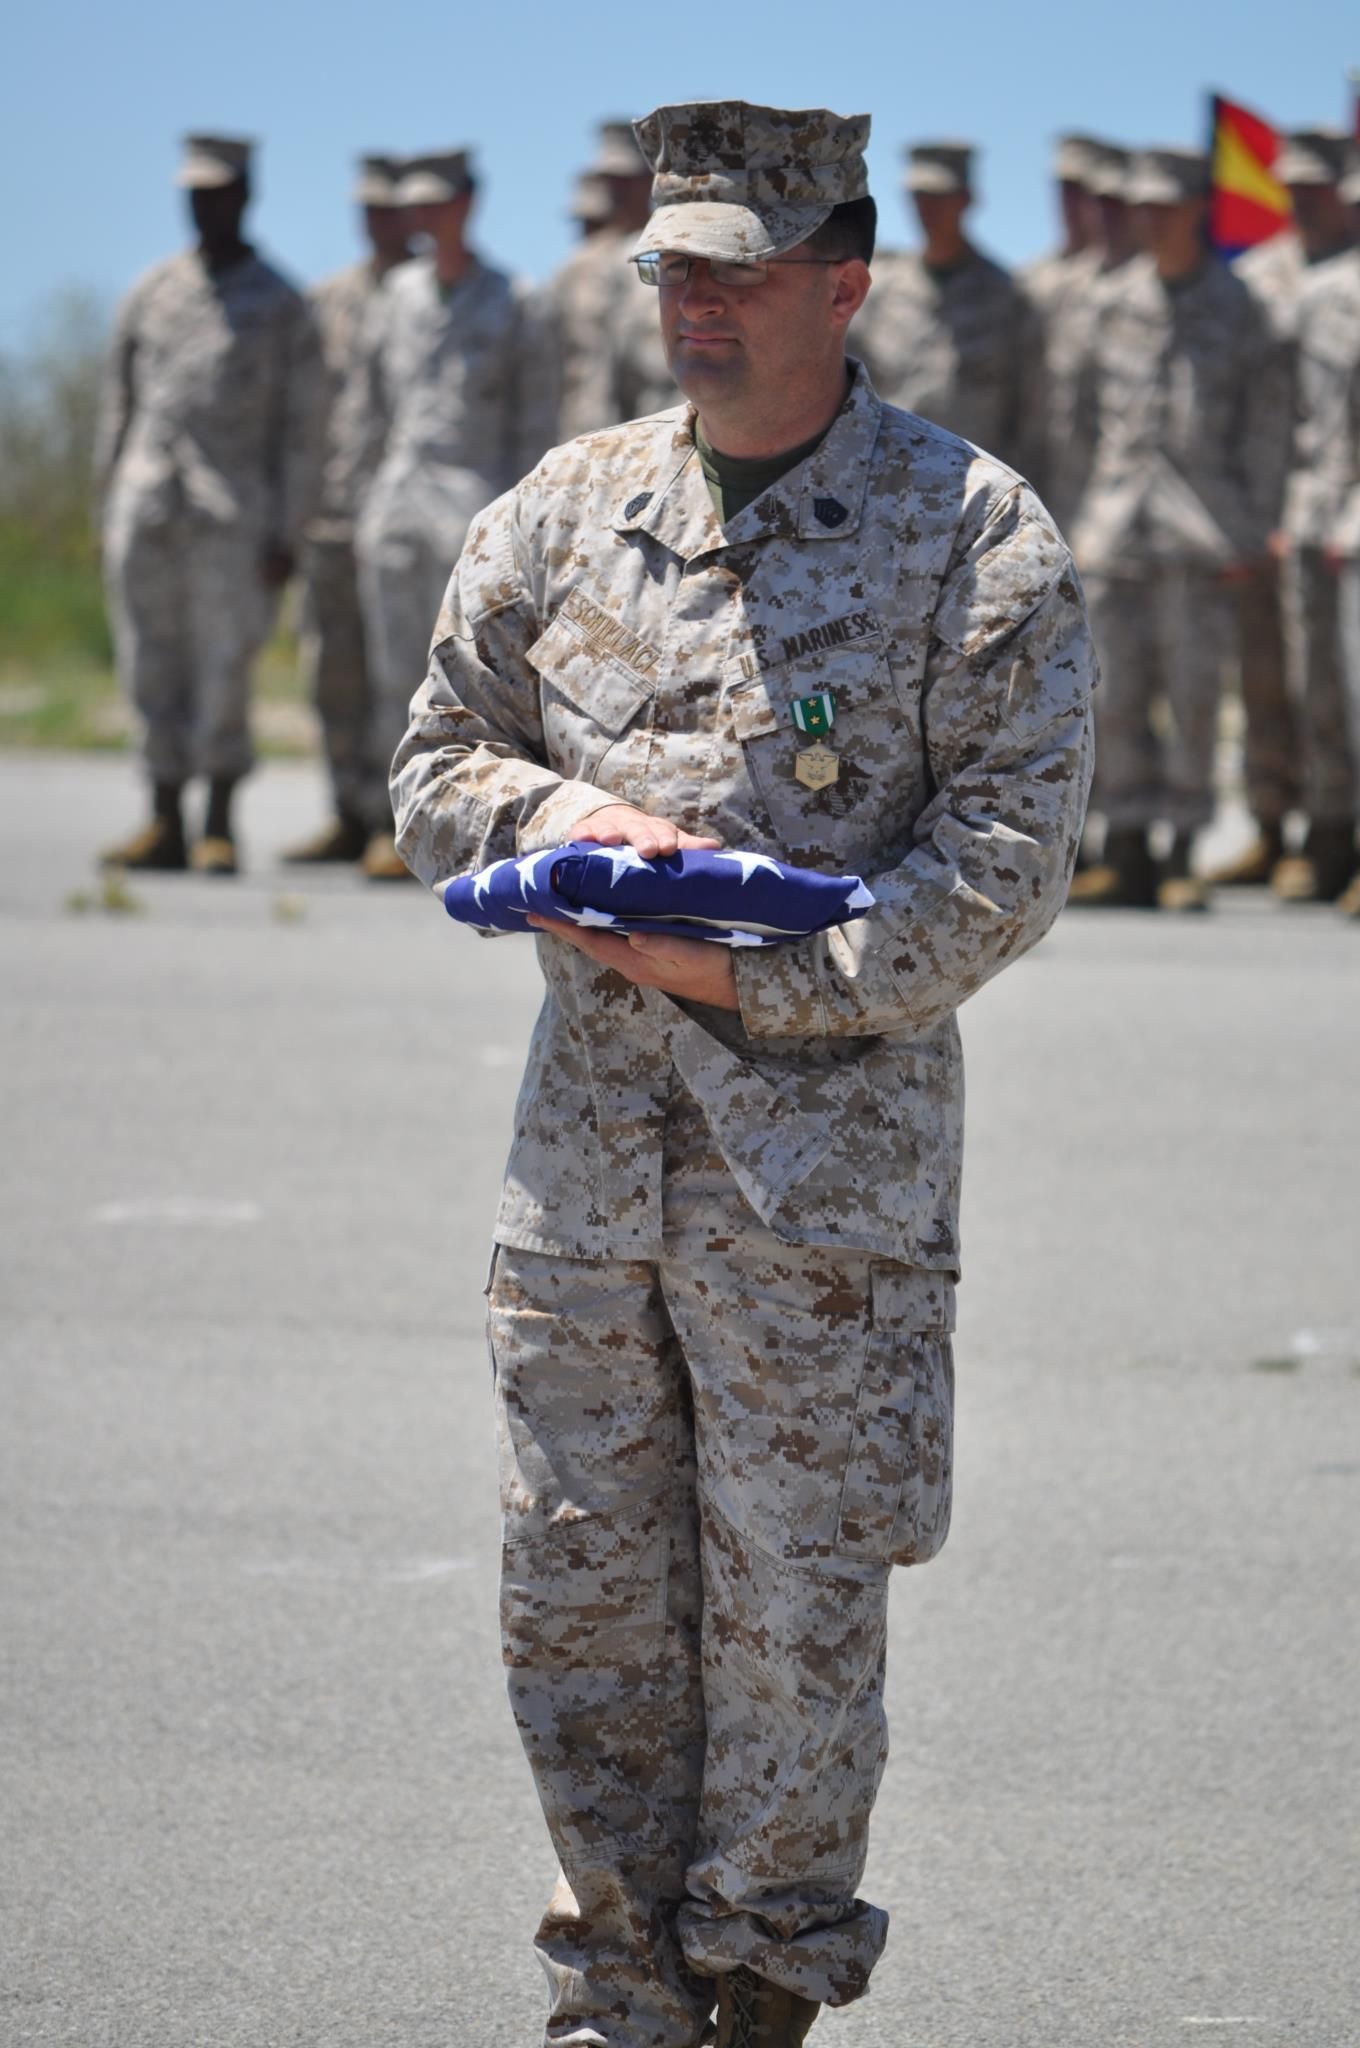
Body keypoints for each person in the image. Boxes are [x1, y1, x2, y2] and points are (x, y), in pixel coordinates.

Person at [391, 97, 1095, 2048]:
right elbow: (436, 761)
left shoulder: (971, 534)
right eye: (671, 271)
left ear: (842, 283)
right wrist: (571, 833)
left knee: (793, 1618)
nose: (692, 306)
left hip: (822, 1197)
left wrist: (729, 959)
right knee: (581, 1608)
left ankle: (761, 1978)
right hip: (586, 1186)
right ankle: (615, 1984)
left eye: (738, 273)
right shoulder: (559, 511)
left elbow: (998, 872)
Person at [1066, 146, 1290, 911]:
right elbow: (1079, 421)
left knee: (1195, 690)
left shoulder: (1240, 307)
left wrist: (1252, 528)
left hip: (1203, 531)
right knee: (1116, 689)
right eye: (1142, 207)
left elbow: (1267, 428)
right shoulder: (1111, 301)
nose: (1151, 220)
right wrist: (1081, 519)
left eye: (1165, 206)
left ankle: (1184, 845)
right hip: (1117, 525)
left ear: (1198, 210)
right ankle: (1127, 845)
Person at [95, 136, 322, 873]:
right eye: (193, 194)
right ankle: (162, 816)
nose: (205, 207)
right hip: (148, 507)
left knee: (225, 669)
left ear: (245, 196)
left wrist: (288, 528)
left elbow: (302, 427)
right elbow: (116, 407)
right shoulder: (152, 291)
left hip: (235, 518)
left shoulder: (281, 303)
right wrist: (107, 507)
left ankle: (218, 821)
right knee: (149, 664)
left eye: (218, 193)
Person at [335, 148, 557, 879]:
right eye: (416, 204)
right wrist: (354, 498)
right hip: (397, 502)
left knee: (469, 680)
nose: (427, 217)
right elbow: (366, 409)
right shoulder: (395, 295)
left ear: (469, 202)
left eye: (440, 201)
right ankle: (386, 821)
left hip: (475, 505)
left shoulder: (513, 298)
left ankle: (467, 827)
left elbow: (535, 419)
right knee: (388, 670)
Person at [1217, 127, 1356, 891]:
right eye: (1293, 185)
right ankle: (1274, 825)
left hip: (1331, 507)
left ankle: (1335, 835)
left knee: (1335, 682)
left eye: (1318, 185)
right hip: (1264, 505)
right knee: (1268, 677)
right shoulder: (1260, 277)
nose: (1304, 198)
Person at [284, 155, 414, 866]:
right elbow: (300, 416)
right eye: (368, 208)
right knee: (332, 670)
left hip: (405, 516)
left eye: (391, 208)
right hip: (332, 514)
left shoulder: (434, 296)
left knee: (401, 674)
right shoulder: (327, 300)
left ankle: (394, 822)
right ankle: (345, 809)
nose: (380, 221)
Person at [847, 140, 1027, 465]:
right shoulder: (880, 290)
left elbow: (1029, 409)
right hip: (890, 479)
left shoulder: (1007, 296)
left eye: (940, 198)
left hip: (978, 484)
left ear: (967, 200)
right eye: (919, 197)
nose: (927, 209)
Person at [540, 121, 658, 439]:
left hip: (655, 427)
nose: (617, 190)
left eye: (626, 179)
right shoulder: (575, 271)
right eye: (609, 179)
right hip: (586, 430)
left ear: (651, 178)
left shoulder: (670, 258)